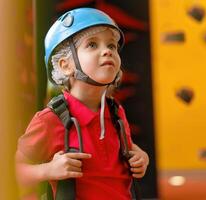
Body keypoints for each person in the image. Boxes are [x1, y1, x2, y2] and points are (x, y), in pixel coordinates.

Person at [15, 7, 149, 200]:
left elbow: (126, 146)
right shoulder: (50, 120)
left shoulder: (116, 112)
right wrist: (49, 170)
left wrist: (142, 156)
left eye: (111, 46)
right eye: (93, 45)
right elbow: (14, 172)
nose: (107, 51)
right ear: (65, 65)